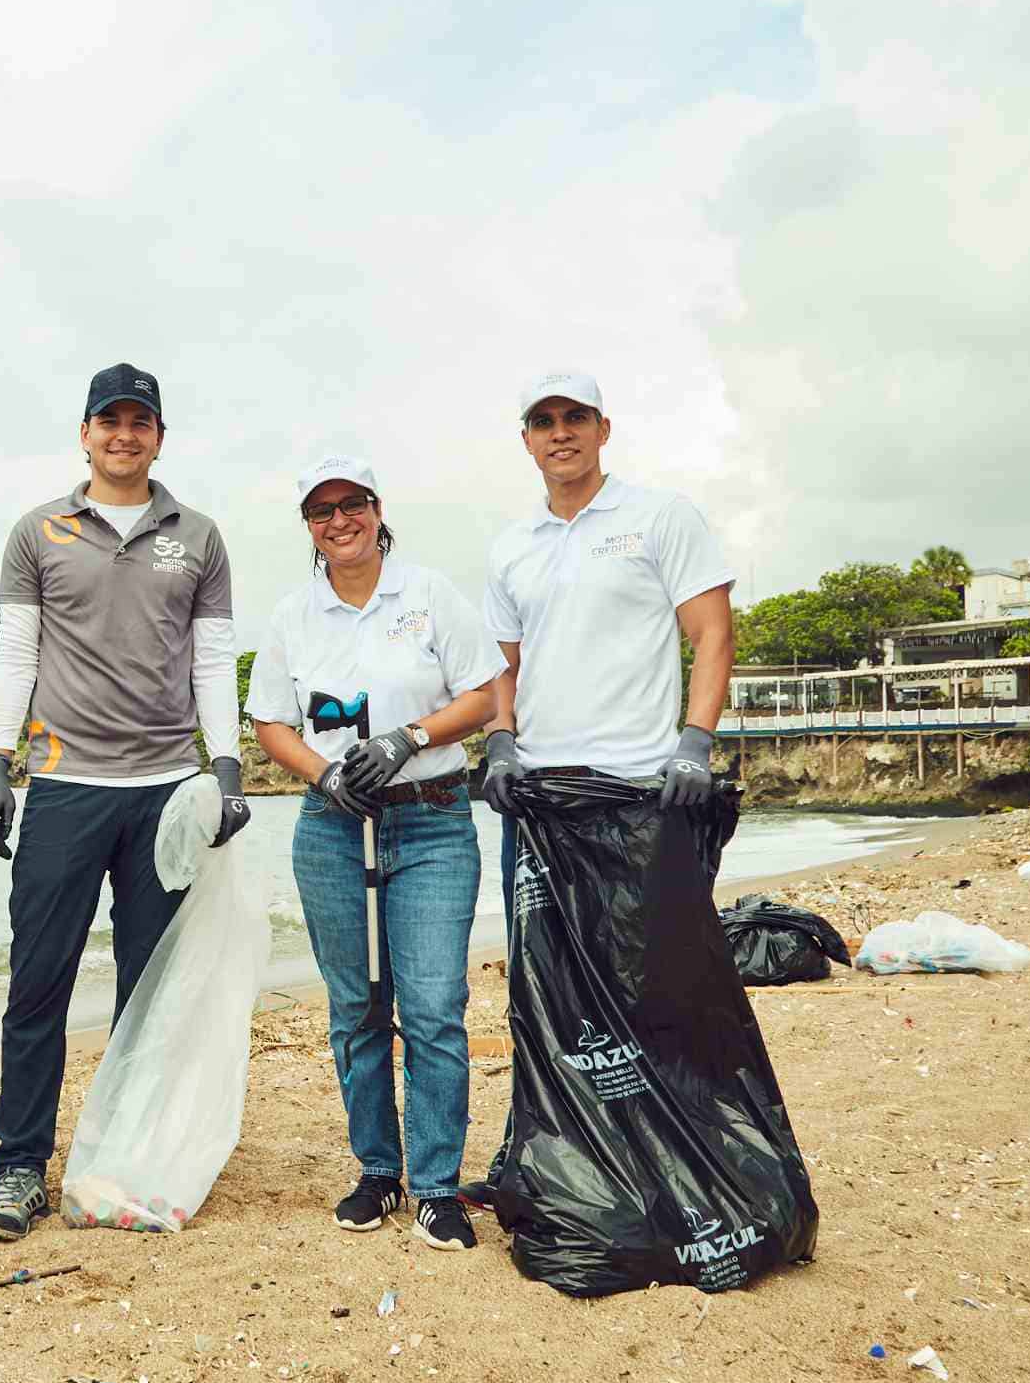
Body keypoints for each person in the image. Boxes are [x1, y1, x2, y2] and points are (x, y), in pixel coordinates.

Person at [0, 363, 248, 1242]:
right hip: (64, 787)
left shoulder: (197, 535)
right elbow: (16, 655)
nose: (124, 434)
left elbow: (211, 660)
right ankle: (18, 1167)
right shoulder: (36, 533)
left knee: (150, 987)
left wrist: (229, 765)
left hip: (165, 789)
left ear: (160, 436)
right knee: (36, 983)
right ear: (84, 433)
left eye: (141, 421)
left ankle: (135, 1158)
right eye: (109, 420)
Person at [466, 372, 735, 1200]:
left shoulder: (661, 516)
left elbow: (712, 631)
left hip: (641, 795)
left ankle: (673, 1164)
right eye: (543, 421)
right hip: (540, 804)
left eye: (574, 417)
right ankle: (541, 1159)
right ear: (526, 440)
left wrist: (695, 743)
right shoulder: (511, 546)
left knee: (647, 983)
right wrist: (502, 743)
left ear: (603, 427)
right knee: (542, 986)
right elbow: (501, 666)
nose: (560, 433)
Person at [247, 454, 500, 1249]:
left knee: (431, 1007)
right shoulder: (293, 615)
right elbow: (271, 723)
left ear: (376, 507)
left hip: (429, 819)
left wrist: (408, 736)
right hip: (331, 828)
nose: (339, 521)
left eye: (350, 504)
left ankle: (435, 1185)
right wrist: (323, 774)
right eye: (321, 511)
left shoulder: (428, 595)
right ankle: (377, 1171)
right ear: (308, 527)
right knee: (356, 1009)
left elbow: (484, 692)